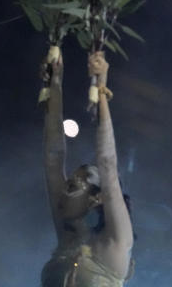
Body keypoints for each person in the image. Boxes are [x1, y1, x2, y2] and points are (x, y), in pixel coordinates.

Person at [41, 50, 134, 287]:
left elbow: (108, 167)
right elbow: (54, 159)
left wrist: (101, 88)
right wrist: (55, 83)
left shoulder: (115, 243)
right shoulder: (68, 237)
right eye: (72, 179)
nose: (67, 185)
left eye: (77, 183)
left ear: (97, 198)